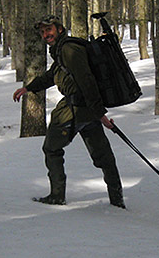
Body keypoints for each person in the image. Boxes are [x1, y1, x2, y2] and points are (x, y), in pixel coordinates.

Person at [13, 15, 125, 209]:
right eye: (42, 31)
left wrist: (101, 115)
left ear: (60, 29)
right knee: (103, 155)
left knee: (51, 148)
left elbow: (87, 81)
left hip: (76, 109)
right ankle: (117, 200)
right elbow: (53, 75)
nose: (45, 34)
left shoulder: (69, 49)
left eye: (49, 29)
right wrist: (29, 88)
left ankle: (57, 196)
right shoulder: (62, 50)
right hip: (86, 110)